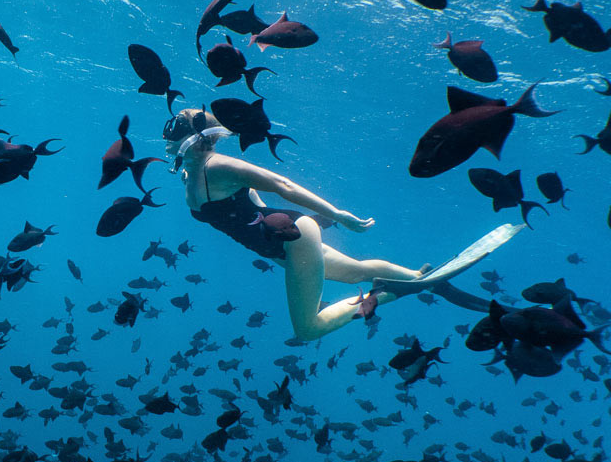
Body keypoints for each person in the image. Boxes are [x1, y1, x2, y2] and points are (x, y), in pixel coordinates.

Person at [163, 108, 499, 341]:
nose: (171, 134)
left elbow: (284, 186)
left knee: (307, 330)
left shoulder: (218, 166)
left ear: (201, 138)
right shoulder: (188, 171)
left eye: (179, 128)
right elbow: (251, 204)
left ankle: (389, 293)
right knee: (356, 271)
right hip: (279, 241)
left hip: (293, 239)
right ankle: (421, 278)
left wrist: (338, 216)